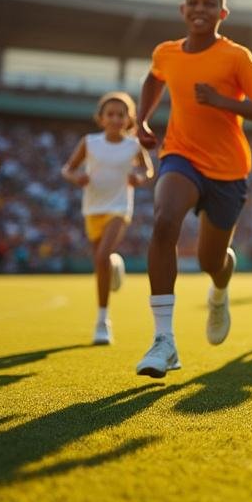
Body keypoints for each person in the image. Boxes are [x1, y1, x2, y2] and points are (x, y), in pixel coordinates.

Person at [133, 0, 252, 378]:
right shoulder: (166, 52)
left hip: (228, 170)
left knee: (210, 260)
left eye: (209, 3)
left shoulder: (236, 57)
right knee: (164, 221)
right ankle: (164, 340)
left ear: (222, 13)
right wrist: (142, 119)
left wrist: (221, 101)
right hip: (180, 155)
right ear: (183, 9)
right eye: (193, 2)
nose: (200, 8)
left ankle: (219, 288)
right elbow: (153, 77)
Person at [61, 91, 153, 345]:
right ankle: (113, 265)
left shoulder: (133, 145)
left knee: (101, 256)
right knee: (100, 263)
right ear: (101, 118)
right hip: (92, 208)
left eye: (120, 115)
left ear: (128, 119)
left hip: (120, 208)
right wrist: (76, 177)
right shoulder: (90, 142)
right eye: (110, 114)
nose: (115, 119)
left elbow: (147, 169)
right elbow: (68, 169)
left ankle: (103, 322)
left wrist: (139, 178)